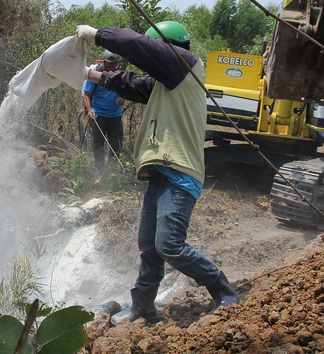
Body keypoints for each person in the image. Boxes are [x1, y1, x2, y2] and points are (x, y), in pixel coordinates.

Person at [76, 21, 239, 324]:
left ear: (169, 48)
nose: (152, 57)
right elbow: (128, 84)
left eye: (156, 49)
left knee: (169, 245)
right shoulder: (167, 82)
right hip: (161, 173)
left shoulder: (185, 66)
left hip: (180, 173)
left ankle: (223, 290)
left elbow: (137, 46)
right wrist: (87, 74)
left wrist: (96, 34)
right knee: (149, 247)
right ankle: (144, 307)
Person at [82, 50, 126, 171]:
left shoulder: (121, 75)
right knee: (98, 144)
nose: (112, 66)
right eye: (110, 63)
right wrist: (90, 110)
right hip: (98, 115)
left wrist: (123, 97)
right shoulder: (96, 75)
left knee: (116, 144)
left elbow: (127, 90)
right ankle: (99, 171)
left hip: (115, 115)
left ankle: (112, 171)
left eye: (114, 64)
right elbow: (87, 94)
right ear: (104, 62)